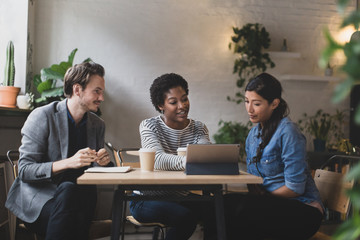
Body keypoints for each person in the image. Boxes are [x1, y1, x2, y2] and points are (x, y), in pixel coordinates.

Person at [5, 62, 111, 240]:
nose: (101, 98)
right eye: (97, 91)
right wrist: (69, 162)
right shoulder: (42, 116)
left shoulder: (97, 124)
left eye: (102, 92)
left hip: (80, 202)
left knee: (80, 196)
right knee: (69, 193)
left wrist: (105, 162)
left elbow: (96, 171)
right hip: (40, 202)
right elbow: (24, 170)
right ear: (77, 90)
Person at [224, 73, 324, 240]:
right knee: (224, 204)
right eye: (247, 102)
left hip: (303, 209)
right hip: (271, 205)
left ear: (274, 103)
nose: (249, 109)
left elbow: (295, 188)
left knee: (246, 209)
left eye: (256, 104)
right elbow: (255, 182)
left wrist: (263, 198)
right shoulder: (253, 135)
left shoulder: (288, 131)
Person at [129, 73, 215, 240]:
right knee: (185, 218)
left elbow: (205, 155)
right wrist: (193, 161)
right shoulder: (149, 126)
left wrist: (201, 159)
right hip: (145, 199)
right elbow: (158, 160)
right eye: (173, 102)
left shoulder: (198, 128)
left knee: (218, 210)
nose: (182, 106)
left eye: (184, 99)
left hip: (178, 196)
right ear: (161, 105)